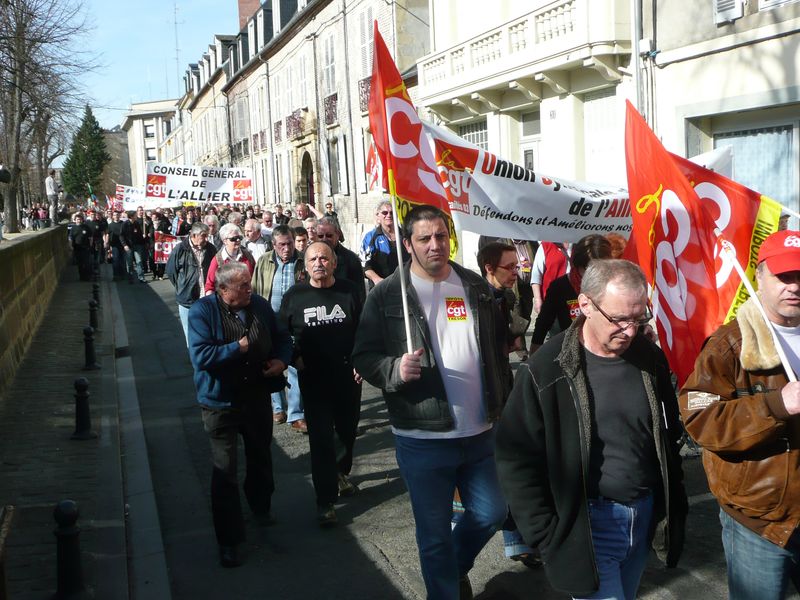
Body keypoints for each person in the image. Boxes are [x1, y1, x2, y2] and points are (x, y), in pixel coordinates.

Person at [495, 259, 688, 600]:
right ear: (585, 305)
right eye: (618, 319)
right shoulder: (546, 370)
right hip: (587, 525)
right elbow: (516, 456)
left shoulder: (650, 358)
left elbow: (666, 434)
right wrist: (545, 534)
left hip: (642, 519)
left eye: (638, 318)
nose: (629, 330)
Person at [352, 205, 510, 600]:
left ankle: (453, 568)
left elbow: (496, 352)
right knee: (434, 534)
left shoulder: (475, 286)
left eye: (441, 236)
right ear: (408, 244)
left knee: (493, 513)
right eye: (424, 238)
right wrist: (393, 369)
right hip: (422, 435)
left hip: (480, 432)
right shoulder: (388, 294)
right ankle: (444, 590)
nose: (435, 245)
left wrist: (505, 407)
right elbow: (363, 357)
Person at [679, 230, 800, 600]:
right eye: (784, 276)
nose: (794, 286)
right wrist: (776, 404)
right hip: (761, 521)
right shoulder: (729, 345)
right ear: (760, 277)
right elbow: (698, 415)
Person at [188, 261, 292, 568]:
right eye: (242, 286)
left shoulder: (258, 305)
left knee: (260, 455)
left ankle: (261, 506)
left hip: (256, 396)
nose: (249, 289)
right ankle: (229, 540)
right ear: (222, 290)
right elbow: (200, 355)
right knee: (225, 471)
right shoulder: (202, 312)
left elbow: (282, 337)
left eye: (249, 284)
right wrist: (237, 348)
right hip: (220, 403)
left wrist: (281, 361)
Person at [279, 241, 363, 526]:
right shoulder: (295, 296)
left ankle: (339, 473)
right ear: (305, 265)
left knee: (348, 433)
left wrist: (362, 361)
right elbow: (279, 335)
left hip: (348, 377)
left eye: (324, 259)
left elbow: (367, 328)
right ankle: (325, 502)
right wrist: (294, 357)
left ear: (334, 263)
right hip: (314, 380)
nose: (319, 264)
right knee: (321, 440)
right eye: (313, 259)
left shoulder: (350, 291)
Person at [475, 241, 537, 566]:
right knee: (498, 472)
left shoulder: (508, 295)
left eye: (517, 266)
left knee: (513, 467)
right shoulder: (474, 301)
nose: (516, 272)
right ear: (489, 268)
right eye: (509, 267)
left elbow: (513, 337)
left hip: (505, 391)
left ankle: (517, 541)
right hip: (483, 399)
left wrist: (522, 299)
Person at [251, 224, 307, 432]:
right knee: (270, 363)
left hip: (294, 322)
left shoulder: (303, 260)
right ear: (273, 245)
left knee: (293, 365)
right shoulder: (264, 261)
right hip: (269, 321)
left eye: (290, 243)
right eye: (282, 245)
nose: (287, 248)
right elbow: (256, 290)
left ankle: (296, 414)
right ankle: (277, 407)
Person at [530, 234, 613, 354]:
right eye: (588, 269)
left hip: (606, 350)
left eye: (601, 269)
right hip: (572, 351)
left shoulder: (614, 285)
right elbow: (544, 321)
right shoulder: (560, 286)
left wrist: (644, 327)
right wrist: (534, 351)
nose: (594, 275)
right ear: (577, 265)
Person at [166, 222, 217, 344]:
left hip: (207, 297)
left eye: (207, 236)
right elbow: (171, 271)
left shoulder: (210, 249)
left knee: (208, 329)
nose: (206, 239)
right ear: (193, 235)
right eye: (203, 236)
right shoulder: (180, 249)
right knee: (189, 332)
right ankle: (194, 356)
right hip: (187, 299)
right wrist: (182, 287)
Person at [316, 217, 365, 307]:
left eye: (329, 235)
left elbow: (360, 295)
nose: (324, 239)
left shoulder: (351, 259)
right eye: (320, 236)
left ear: (337, 234)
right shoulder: (310, 258)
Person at [360, 200, 409, 289]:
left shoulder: (405, 235)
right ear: (378, 216)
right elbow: (364, 265)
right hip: (380, 288)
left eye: (392, 212)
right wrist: (377, 279)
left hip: (404, 287)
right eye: (385, 213)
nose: (389, 215)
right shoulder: (370, 237)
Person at [204, 224, 256, 295]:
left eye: (239, 237)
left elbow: (256, 279)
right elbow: (210, 286)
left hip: (247, 300)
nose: (238, 240)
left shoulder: (248, 256)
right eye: (233, 239)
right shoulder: (217, 260)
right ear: (225, 241)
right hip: (226, 303)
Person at [531, 241, 569, 313]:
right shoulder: (546, 246)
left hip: (574, 299)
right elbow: (536, 275)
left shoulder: (578, 245)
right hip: (551, 299)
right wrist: (537, 299)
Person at [105, 210, 132, 282]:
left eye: (117, 215)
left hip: (123, 245)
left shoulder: (123, 224)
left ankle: (123, 274)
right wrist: (107, 243)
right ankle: (116, 275)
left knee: (123, 260)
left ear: (119, 216)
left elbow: (127, 234)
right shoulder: (110, 225)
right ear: (112, 216)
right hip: (114, 245)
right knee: (115, 260)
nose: (116, 216)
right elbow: (108, 234)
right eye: (114, 215)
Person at [129, 206, 152, 283]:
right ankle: (130, 277)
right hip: (132, 243)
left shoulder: (146, 219)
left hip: (142, 243)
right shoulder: (134, 221)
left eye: (142, 210)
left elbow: (151, 227)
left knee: (140, 260)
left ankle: (141, 276)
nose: (141, 212)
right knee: (130, 261)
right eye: (139, 210)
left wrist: (149, 233)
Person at [69, 213, 94, 281]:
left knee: (86, 263)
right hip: (77, 248)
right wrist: (71, 246)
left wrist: (90, 245)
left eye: (80, 219)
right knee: (80, 263)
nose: (79, 221)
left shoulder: (86, 227)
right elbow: (71, 238)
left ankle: (87, 276)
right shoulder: (73, 228)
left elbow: (91, 237)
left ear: (82, 220)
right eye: (77, 219)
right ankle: (82, 277)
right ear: (75, 220)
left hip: (86, 247)